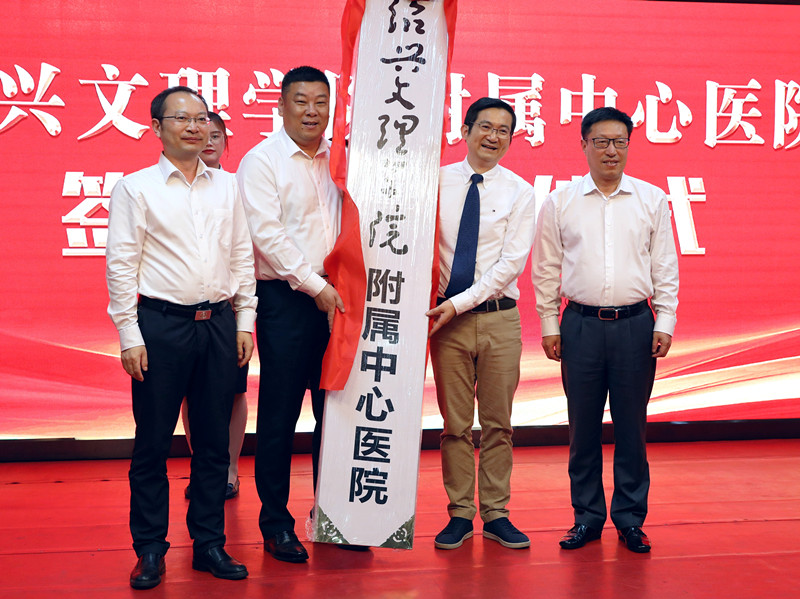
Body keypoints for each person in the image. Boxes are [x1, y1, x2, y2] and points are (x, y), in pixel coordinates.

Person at [106, 87, 255, 589]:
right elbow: (121, 265)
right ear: (157, 127)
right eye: (182, 118)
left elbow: (242, 256)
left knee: (214, 444)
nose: (195, 127)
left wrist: (245, 321)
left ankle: (209, 543)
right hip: (160, 326)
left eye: (202, 118)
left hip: (219, 325)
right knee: (152, 444)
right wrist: (129, 333)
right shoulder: (136, 188)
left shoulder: (228, 187)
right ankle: (150, 549)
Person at [531, 106, 679, 554]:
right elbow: (546, 268)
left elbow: (665, 266)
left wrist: (665, 319)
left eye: (620, 142)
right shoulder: (560, 201)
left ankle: (630, 519)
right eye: (601, 141)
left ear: (628, 145)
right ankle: (587, 518)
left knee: (632, 428)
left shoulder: (652, 199)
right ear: (584, 145)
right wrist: (549, 323)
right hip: (580, 326)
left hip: (636, 325)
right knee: (583, 429)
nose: (611, 150)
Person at [237, 65, 344, 563]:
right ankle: (276, 523)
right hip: (287, 301)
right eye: (301, 101)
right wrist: (316, 287)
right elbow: (268, 237)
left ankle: (332, 513)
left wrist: (335, 289)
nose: (312, 111)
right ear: (280, 106)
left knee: (336, 414)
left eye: (321, 102)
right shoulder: (261, 161)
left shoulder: (341, 158)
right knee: (279, 416)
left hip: (341, 300)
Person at [425, 97, 536, 551]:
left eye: (503, 130)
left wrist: (460, 304)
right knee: (454, 425)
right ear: (465, 131)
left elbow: (510, 264)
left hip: (498, 320)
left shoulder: (520, 192)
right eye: (485, 127)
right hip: (444, 322)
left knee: (498, 424)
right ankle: (459, 514)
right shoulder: (434, 181)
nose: (493, 137)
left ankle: (496, 513)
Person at [181, 112, 248, 501]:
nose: (208, 141)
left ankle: (230, 469)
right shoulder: (166, 187)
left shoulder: (237, 188)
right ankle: (202, 469)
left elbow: (245, 251)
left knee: (233, 392)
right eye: (202, 133)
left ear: (225, 141)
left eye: (216, 135)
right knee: (191, 393)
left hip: (229, 309)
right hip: (183, 310)